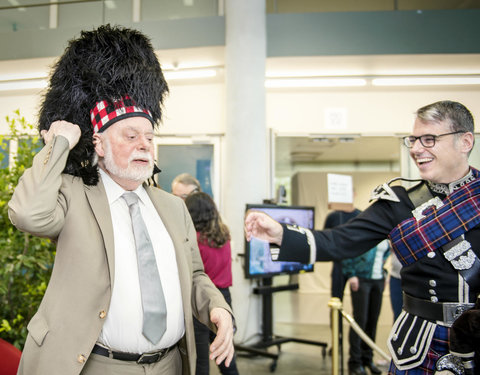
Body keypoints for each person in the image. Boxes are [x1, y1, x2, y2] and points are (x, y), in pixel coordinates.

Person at [8, 25, 234, 375]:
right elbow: (26, 214)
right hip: (96, 365)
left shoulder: (173, 208)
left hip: (170, 365)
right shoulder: (73, 196)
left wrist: (217, 307)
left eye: (149, 137)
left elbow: (195, 275)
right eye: (131, 135)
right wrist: (59, 145)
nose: (144, 144)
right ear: (99, 144)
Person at [245, 100, 479, 374]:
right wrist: (281, 234)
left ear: (465, 142)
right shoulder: (398, 200)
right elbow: (340, 240)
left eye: (429, 139)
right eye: (413, 140)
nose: (416, 149)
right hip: (419, 345)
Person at [185, 192, 240, 375]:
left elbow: (194, 276)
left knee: (200, 361)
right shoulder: (224, 235)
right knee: (225, 353)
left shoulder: (195, 240)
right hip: (224, 299)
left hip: (204, 302)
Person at [343, 239, 391, 375]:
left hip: (378, 280)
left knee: (373, 321)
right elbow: (348, 252)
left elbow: (386, 252)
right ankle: (355, 362)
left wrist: (384, 273)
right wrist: (351, 274)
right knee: (360, 321)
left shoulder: (385, 233)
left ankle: (367, 359)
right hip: (361, 279)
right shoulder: (365, 229)